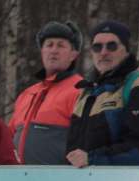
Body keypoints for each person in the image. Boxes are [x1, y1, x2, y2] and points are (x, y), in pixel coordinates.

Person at [66, 20, 139, 167]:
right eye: (97, 47)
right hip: (85, 179)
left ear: (126, 50)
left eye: (112, 46)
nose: (103, 52)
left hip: (128, 180)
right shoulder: (86, 92)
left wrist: (92, 159)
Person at [9, 21, 84, 164]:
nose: (54, 50)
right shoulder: (27, 94)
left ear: (73, 55)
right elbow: (8, 138)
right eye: (49, 45)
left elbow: (86, 142)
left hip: (60, 176)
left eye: (61, 45)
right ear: (42, 51)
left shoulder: (80, 90)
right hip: (20, 175)